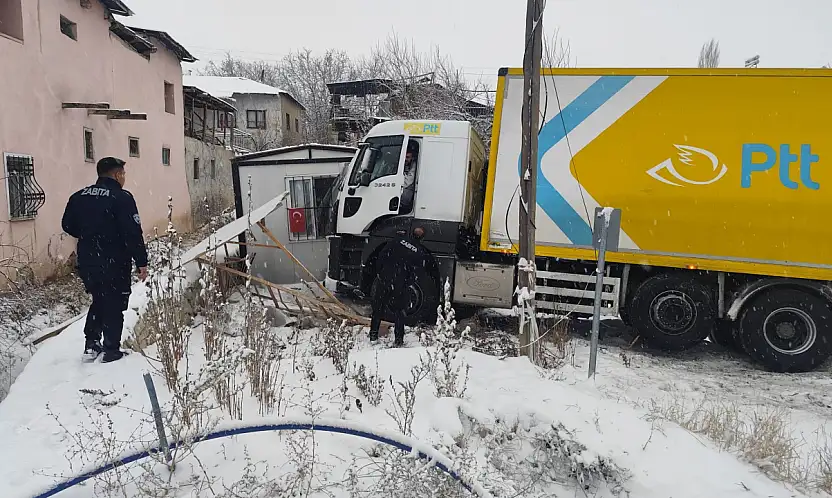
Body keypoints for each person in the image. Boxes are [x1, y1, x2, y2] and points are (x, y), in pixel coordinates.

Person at [62, 157, 148, 363]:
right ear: (117, 175)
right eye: (123, 174)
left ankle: (91, 343)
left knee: (99, 298)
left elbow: (67, 225)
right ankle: (111, 349)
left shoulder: (78, 197)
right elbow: (132, 233)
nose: (124, 178)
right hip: (115, 261)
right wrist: (141, 262)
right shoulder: (122, 198)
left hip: (88, 260)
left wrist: (90, 234)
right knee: (115, 302)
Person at [369, 227, 431, 346]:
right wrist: (407, 283)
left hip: (385, 279)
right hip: (400, 284)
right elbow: (417, 272)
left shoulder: (397, 241)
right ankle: (398, 340)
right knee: (399, 312)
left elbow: (382, 255)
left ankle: (373, 335)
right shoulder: (419, 251)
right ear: (422, 238)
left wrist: (380, 274)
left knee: (378, 309)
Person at [400, 141, 418, 214]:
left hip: (407, 200)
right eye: (404, 157)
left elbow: (406, 182)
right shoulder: (404, 165)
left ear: (412, 158)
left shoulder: (414, 166)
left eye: (407, 157)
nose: (405, 159)